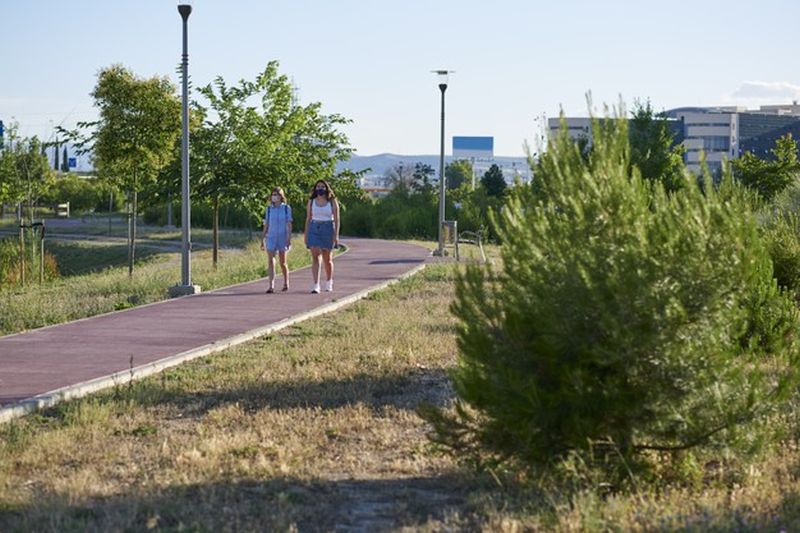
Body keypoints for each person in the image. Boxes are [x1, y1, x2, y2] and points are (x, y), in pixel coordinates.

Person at [304, 179, 339, 293]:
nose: (320, 188)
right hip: (314, 228)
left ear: (327, 188)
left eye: (322, 187)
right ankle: (316, 284)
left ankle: (329, 281)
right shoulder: (311, 201)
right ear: (315, 189)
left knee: (327, 258)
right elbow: (308, 218)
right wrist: (306, 233)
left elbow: (337, 218)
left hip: (328, 227)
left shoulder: (332, 201)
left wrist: (336, 234)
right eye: (318, 186)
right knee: (315, 256)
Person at [260, 187, 293, 293]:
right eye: (273, 194)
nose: (275, 197)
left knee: (283, 262)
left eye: (277, 195)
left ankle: (286, 282)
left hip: (282, 236)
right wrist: (263, 238)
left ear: (281, 196)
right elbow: (266, 224)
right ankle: (271, 285)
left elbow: (289, 223)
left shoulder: (286, 208)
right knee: (271, 260)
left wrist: (289, 238)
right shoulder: (269, 209)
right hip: (271, 236)